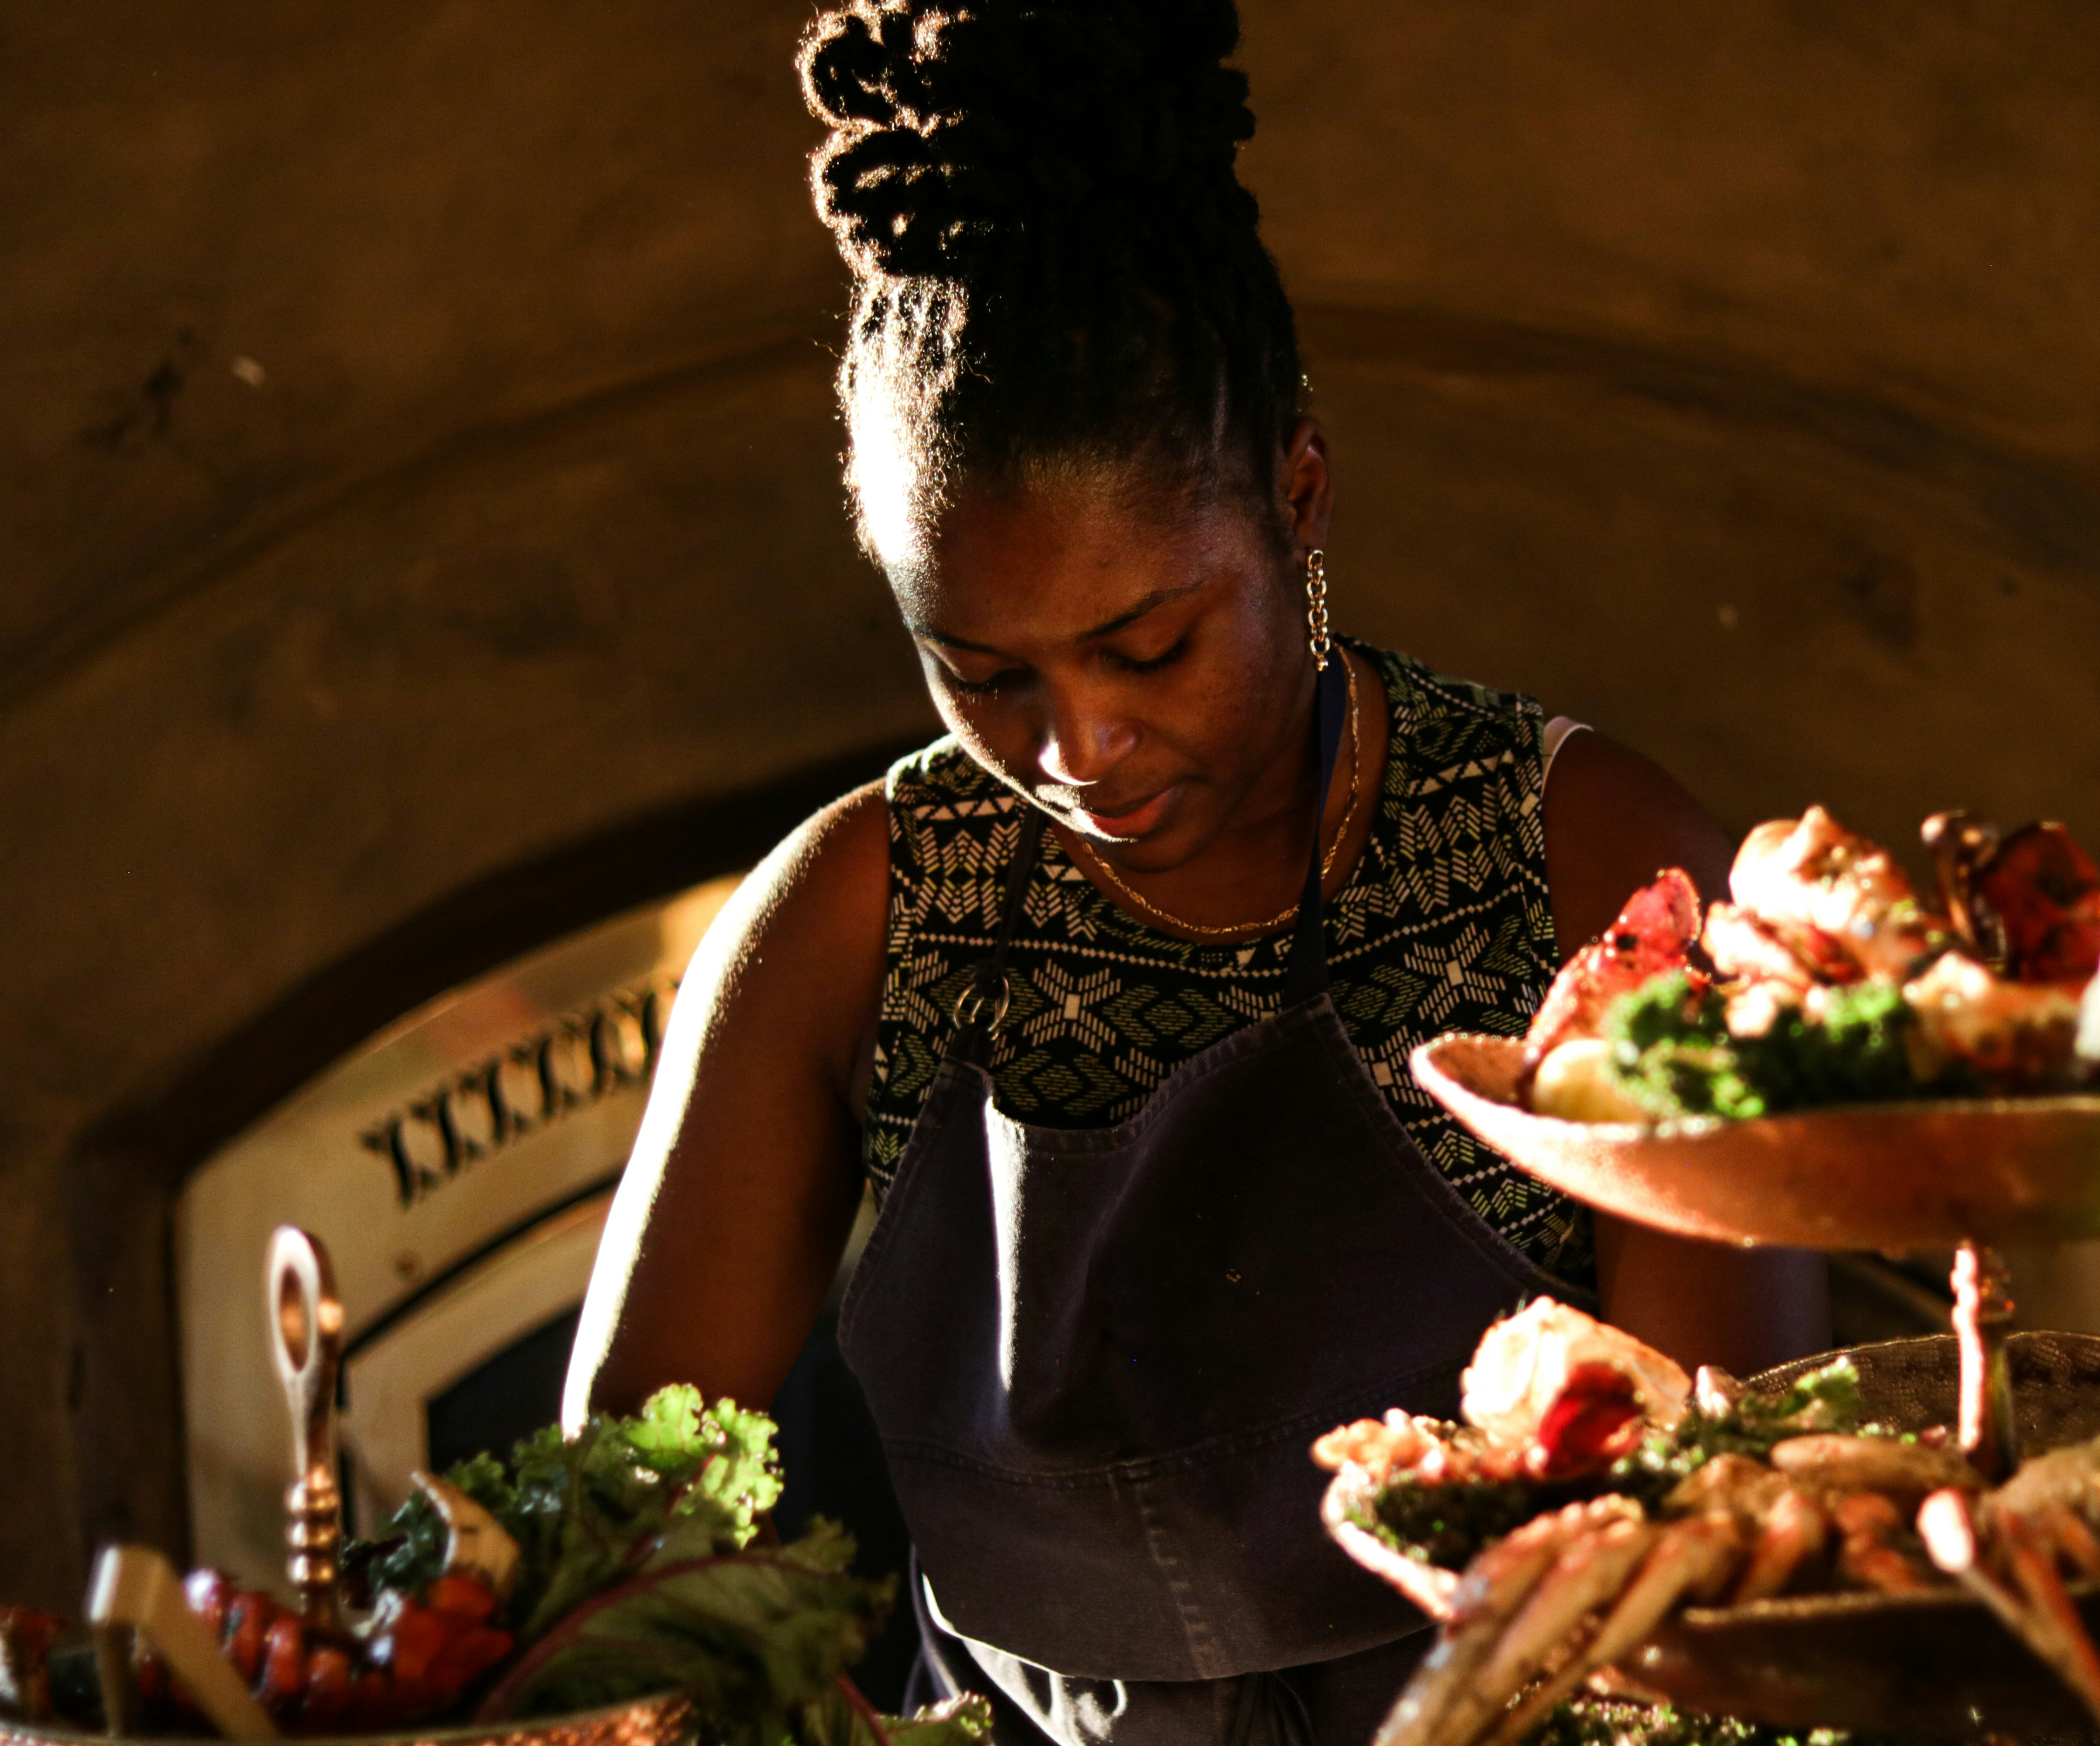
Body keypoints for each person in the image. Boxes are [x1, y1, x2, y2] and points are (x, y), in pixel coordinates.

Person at [565, 3, 1829, 1743]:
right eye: (985, 674)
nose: (1081, 750)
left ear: (1298, 490)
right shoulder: (860, 911)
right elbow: (626, 1523)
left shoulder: (1589, 861)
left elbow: (1736, 1545)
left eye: (1149, 646)